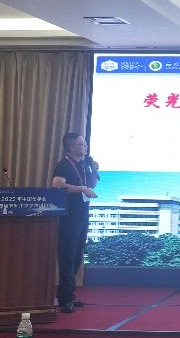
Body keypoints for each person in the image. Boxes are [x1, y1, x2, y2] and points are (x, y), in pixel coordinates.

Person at [52, 132, 99, 313]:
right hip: (69, 218)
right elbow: (57, 184)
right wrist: (81, 188)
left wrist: (94, 170)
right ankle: (65, 299)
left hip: (82, 216)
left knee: (77, 256)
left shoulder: (83, 164)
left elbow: (91, 185)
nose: (85, 146)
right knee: (67, 257)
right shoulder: (64, 165)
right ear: (72, 147)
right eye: (82, 144)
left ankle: (69, 295)